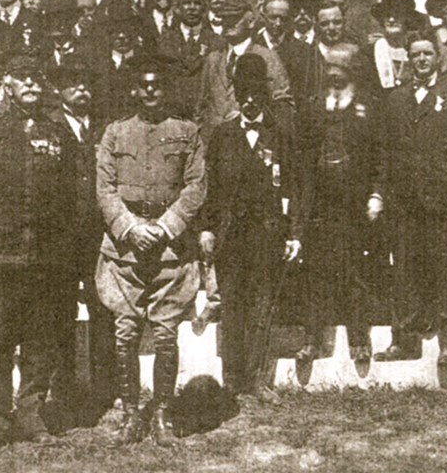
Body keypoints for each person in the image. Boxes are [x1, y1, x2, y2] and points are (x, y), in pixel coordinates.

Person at [0, 54, 80, 447]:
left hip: (45, 259)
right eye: (22, 77)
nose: (30, 84)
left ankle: (30, 413)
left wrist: (65, 251)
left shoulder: (59, 133)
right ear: (7, 82)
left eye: (36, 78)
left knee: (41, 339)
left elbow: (72, 197)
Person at [95, 52, 206, 445]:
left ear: (167, 87)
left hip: (169, 249)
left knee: (164, 335)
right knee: (125, 333)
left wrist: (164, 227)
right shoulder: (115, 132)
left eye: (157, 84)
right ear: (134, 89)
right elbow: (105, 189)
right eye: (143, 85)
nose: (150, 91)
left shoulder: (187, 132)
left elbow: (195, 188)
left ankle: (161, 415)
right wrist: (129, 227)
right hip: (125, 250)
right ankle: (129, 415)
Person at [373, 36, 447, 370]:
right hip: (404, 201)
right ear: (408, 59)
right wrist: (382, 192)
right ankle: (404, 339)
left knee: (446, 271)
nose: (421, 60)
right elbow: (384, 152)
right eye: (415, 54)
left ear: (438, 58)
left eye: (427, 54)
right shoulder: (395, 100)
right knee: (404, 270)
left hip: (444, 202)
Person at [201, 53, 302, 401]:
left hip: (266, 235)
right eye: (243, 90)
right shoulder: (223, 135)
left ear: (265, 93)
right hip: (230, 238)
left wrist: (295, 235)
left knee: (262, 306)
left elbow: (296, 187)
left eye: (256, 91)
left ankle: (257, 379)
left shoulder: (280, 134)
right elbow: (208, 188)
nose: (249, 98)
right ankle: (231, 380)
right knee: (232, 307)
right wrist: (207, 229)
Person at [295, 44, 376, 365]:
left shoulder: (365, 108)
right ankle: (312, 340)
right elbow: (302, 155)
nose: (333, 73)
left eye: (340, 68)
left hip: (354, 204)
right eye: (329, 67)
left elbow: (379, 155)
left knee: (354, 272)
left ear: (352, 71)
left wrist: (376, 194)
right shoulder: (315, 106)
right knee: (315, 273)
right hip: (319, 205)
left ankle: (359, 340)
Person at [47, 64, 114, 421]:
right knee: (61, 312)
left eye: (87, 83)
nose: (81, 90)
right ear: (59, 90)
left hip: (100, 234)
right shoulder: (50, 127)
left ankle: (106, 389)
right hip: (62, 236)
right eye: (74, 84)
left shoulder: (103, 128)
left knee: (104, 306)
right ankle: (64, 390)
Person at [196, 0, 291, 144]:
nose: (228, 24)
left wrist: (248, 116)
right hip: (212, 145)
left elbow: (283, 105)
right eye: (225, 19)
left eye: (234, 19)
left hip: (250, 142)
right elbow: (201, 105)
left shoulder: (267, 57)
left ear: (251, 21)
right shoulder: (213, 58)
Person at [157, 0, 225, 120]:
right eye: (186, 3)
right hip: (172, 114)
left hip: (205, 114)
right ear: (177, 9)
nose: (192, 8)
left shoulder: (217, 42)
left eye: (197, 3)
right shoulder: (165, 41)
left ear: (204, 9)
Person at [370, 0, 416, 91]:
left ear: (406, 19)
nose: (391, 20)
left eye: (397, 15)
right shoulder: (370, 51)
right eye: (387, 15)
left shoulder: (415, 50)